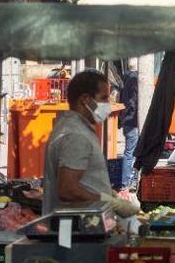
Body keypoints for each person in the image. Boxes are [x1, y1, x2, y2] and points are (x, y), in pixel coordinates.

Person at [43, 70, 139, 218]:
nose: (108, 104)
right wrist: (110, 202)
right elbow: (67, 190)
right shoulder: (75, 135)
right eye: (104, 98)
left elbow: (84, 180)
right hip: (76, 230)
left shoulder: (75, 127)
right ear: (86, 100)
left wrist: (107, 192)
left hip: (85, 226)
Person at [119, 60, 139, 189]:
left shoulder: (125, 77)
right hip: (132, 121)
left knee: (129, 152)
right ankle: (127, 182)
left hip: (127, 120)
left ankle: (127, 181)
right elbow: (133, 101)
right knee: (131, 153)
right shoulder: (134, 79)